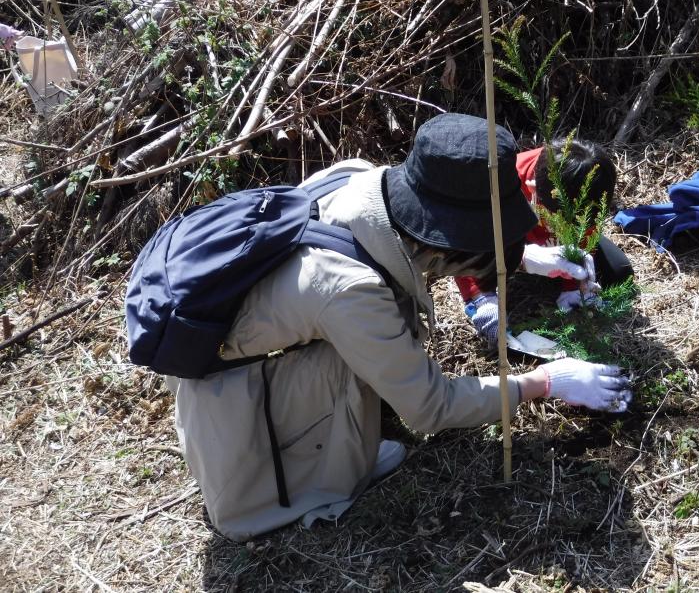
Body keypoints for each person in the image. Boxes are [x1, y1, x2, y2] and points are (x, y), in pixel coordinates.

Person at [164, 114, 633, 541]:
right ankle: (319, 467)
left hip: (261, 345)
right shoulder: (349, 291)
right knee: (361, 356)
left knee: (380, 336)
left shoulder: (363, 179)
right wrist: (546, 381)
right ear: (450, 245)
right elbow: (431, 406)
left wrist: (526, 259)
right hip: (234, 405)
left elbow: (428, 251)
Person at [456, 138, 634, 346]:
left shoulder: (589, 181)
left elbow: (586, 231)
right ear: (532, 189)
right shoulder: (502, 180)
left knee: (619, 272)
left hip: (549, 235)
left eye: (577, 220)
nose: (565, 227)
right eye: (558, 219)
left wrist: (573, 286)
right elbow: (464, 241)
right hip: (509, 230)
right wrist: (480, 296)